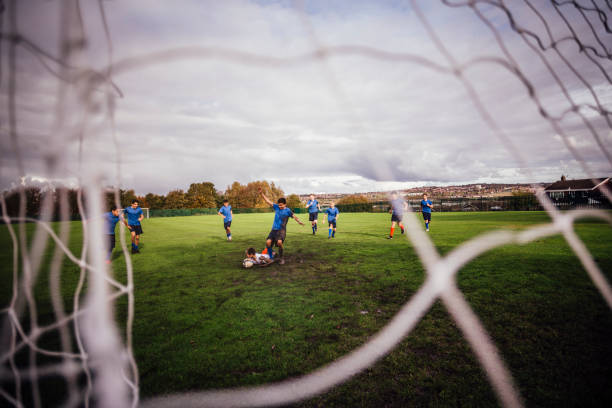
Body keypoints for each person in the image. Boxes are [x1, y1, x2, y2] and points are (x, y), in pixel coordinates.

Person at [259, 187, 304, 265]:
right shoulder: (276, 207)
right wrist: (261, 194)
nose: (280, 207)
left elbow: (294, 216)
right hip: (274, 229)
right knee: (268, 242)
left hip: (281, 230)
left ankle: (281, 257)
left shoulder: (288, 211)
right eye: (279, 205)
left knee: (279, 243)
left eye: (281, 205)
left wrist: (299, 221)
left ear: (285, 204)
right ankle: (271, 257)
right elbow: (268, 201)